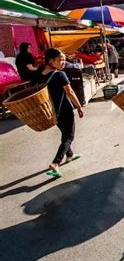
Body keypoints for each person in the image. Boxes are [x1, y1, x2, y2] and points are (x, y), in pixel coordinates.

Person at [33, 48, 85, 177]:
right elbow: (70, 92)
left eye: (64, 60)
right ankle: (55, 163)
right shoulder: (60, 75)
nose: (63, 62)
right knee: (69, 136)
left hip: (51, 111)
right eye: (60, 60)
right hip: (65, 109)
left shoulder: (39, 74)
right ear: (51, 60)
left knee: (64, 132)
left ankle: (70, 155)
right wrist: (79, 106)